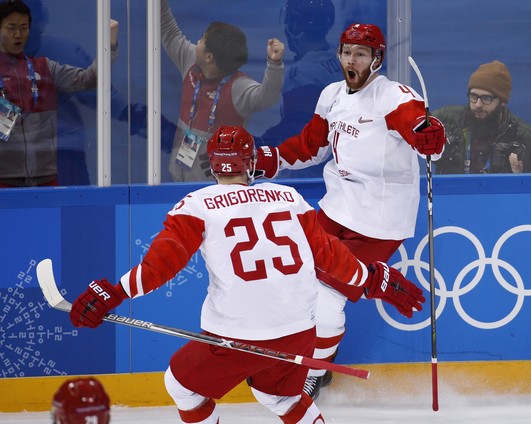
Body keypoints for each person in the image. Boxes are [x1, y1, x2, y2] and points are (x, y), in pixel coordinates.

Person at [68, 125, 425, 424]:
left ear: (213, 166)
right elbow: (329, 256)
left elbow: (161, 266)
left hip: (235, 338)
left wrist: (115, 293)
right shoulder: (288, 197)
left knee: (181, 385)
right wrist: (371, 279)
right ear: (251, 162)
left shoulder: (196, 206)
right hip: (299, 331)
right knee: (279, 397)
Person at [254, 23, 446, 399]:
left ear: (376, 59)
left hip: (379, 221)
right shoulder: (331, 95)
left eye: (360, 54)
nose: (351, 60)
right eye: (346, 52)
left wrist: (432, 137)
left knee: (326, 296)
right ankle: (308, 355)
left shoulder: (394, 98)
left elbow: (424, 136)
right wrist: (270, 158)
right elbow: (311, 146)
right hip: (335, 209)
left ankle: (315, 373)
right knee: (295, 280)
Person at [23, 0, 177, 186]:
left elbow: (107, 98)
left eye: (31, 24)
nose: (25, 34)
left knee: (78, 210)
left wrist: (165, 132)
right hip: (12, 157)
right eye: (15, 27)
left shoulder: (60, 52)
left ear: (44, 19)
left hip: (62, 152)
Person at [161, 0, 285, 183]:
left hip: (216, 184)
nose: (197, 42)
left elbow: (267, 96)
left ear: (209, 57)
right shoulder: (190, 61)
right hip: (177, 175)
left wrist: (274, 64)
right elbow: (169, 32)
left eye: (202, 39)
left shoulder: (238, 87)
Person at [0, 0, 119, 188]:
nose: (18, 35)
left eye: (24, 28)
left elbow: (90, 79)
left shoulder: (45, 67)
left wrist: (109, 47)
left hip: (45, 176)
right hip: (4, 178)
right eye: (11, 28)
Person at [258, 0, 342, 178]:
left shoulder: (302, 72)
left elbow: (297, 125)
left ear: (295, 26)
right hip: (340, 162)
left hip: (313, 169)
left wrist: (261, 143)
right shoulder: (341, 57)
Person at [433, 60, 531, 174]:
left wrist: (520, 178)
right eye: (473, 96)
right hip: (451, 190)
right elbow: (414, 127)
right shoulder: (445, 119)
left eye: (486, 98)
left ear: (502, 101)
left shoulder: (524, 136)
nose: (478, 104)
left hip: (498, 191)